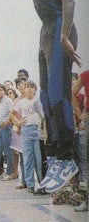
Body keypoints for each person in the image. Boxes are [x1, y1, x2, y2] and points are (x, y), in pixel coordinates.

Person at [12, 0, 81, 193]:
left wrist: (65, 36)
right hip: (45, 32)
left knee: (57, 94)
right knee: (44, 96)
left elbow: (69, 0)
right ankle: (54, 154)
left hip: (58, 29)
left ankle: (67, 158)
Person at [12, 80, 44, 193]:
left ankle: (42, 184)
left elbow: (43, 116)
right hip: (26, 130)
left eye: (32, 87)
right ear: (24, 89)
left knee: (38, 159)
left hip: (37, 130)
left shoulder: (38, 101)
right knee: (27, 158)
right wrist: (18, 122)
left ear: (35, 89)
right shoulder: (21, 102)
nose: (29, 89)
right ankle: (30, 184)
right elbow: (12, 114)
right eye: (27, 87)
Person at [72, 70, 89, 212]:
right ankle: (87, 201)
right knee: (87, 160)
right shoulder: (85, 75)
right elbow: (72, 92)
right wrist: (78, 113)